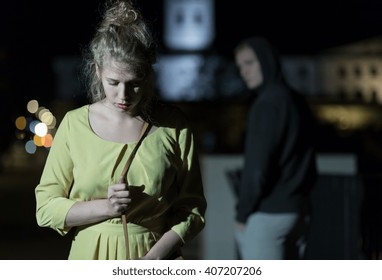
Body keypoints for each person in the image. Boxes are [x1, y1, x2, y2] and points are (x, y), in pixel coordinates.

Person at [35, 0, 206, 260]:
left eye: (134, 83)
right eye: (113, 82)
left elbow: (192, 208)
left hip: (152, 255)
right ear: (97, 71)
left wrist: (155, 258)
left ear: (149, 76)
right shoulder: (74, 124)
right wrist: (106, 207)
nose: (123, 95)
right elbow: (46, 209)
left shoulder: (174, 125)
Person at [233, 36, 317, 259]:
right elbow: (309, 161)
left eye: (250, 63)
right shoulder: (296, 100)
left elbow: (257, 168)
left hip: (268, 216)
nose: (244, 71)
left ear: (266, 60)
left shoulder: (267, 105)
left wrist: (242, 214)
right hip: (299, 213)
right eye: (240, 66)